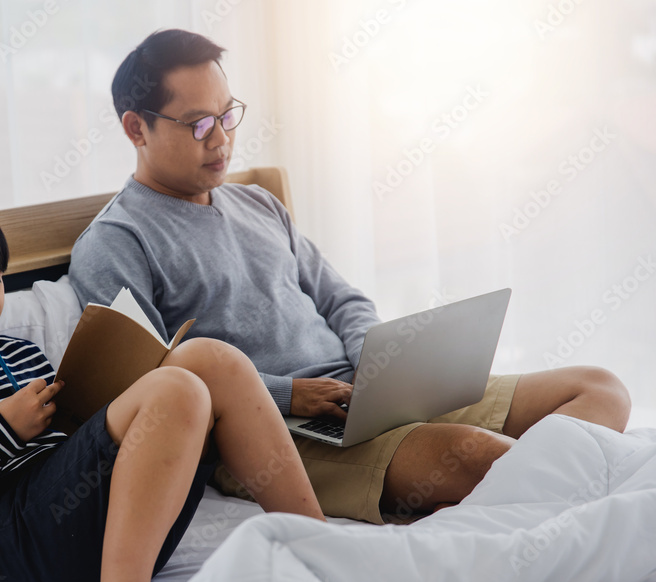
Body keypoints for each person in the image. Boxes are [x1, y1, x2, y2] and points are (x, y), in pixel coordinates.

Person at [67, 28, 632, 525]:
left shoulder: (257, 204)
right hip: (273, 436)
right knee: (481, 456)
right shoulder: (116, 242)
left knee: (600, 389)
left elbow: (342, 298)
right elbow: (150, 385)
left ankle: (516, 488)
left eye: (228, 114)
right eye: (198, 124)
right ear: (135, 128)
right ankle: (539, 489)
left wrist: (376, 362)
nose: (222, 139)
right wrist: (292, 395)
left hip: (365, 391)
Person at [0, 187, 325, 582]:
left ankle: (318, 546)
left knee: (210, 359)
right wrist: (2, 431)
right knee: (176, 386)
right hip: (5, 549)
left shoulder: (21, 354)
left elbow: (74, 450)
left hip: (105, 533)